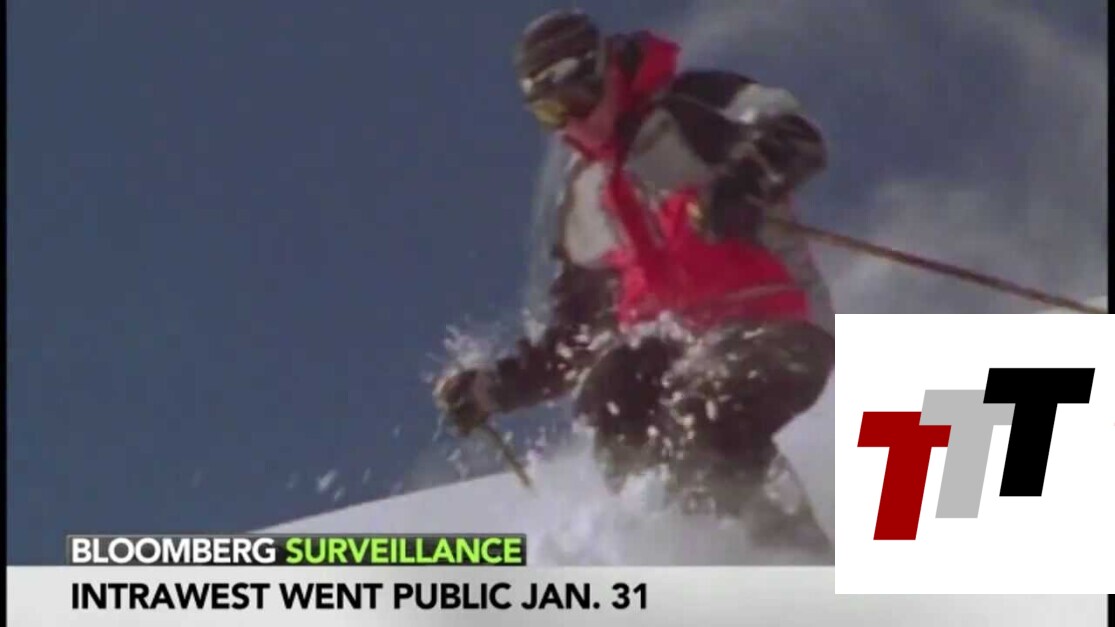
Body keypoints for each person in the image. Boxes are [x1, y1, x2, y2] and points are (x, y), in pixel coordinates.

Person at [434, 10, 835, 552]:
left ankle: (799, 561)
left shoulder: (692, 106)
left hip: (777, 321)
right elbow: (575, 338)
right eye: (551, 112)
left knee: (702, 412)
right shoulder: (585, 196)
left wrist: (744, 180)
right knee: (612, 389)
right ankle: (682, 550)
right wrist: (494, 388)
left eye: (577, 99)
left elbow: (794, 132)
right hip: (678, 344)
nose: (573, 123)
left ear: (603, 69)